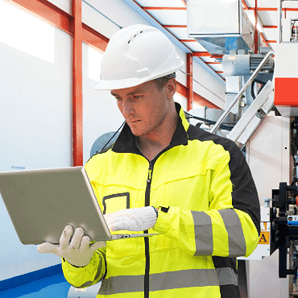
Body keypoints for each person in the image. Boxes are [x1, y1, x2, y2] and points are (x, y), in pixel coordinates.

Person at [37, 24, 260, 298]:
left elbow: (244, 235)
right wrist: (77, 261)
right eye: (118, 98)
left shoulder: (217, 154)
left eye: (136, 96)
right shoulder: (99, 167)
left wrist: (160, 219)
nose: (126, 110)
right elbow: (92, 274)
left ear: (169, 88)